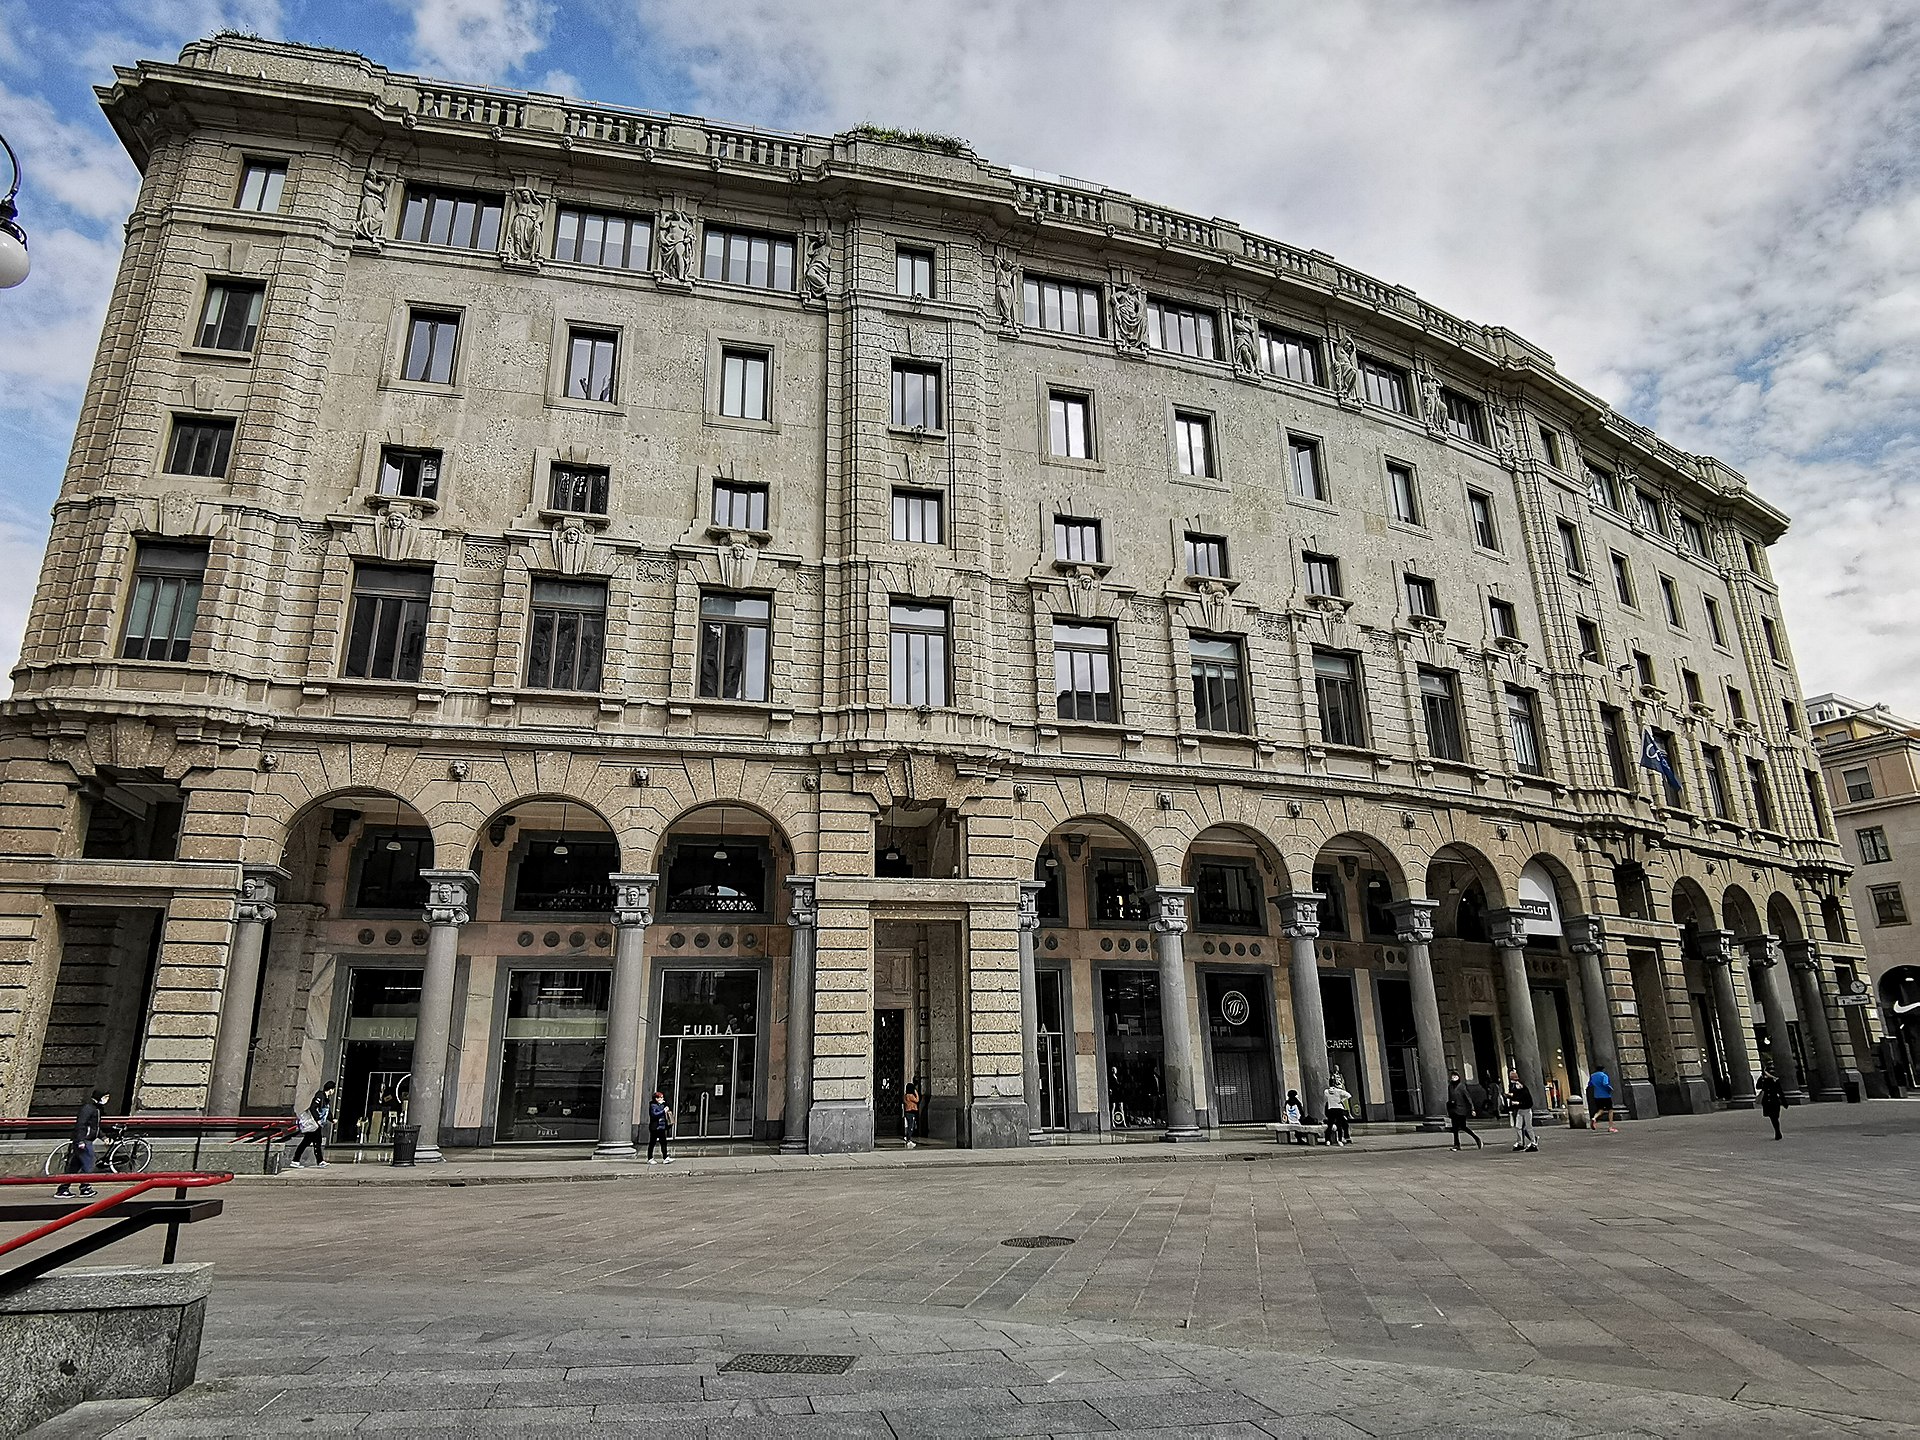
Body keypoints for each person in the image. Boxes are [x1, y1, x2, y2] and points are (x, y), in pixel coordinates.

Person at [54, 1088, 108, 1199]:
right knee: (88, 1164)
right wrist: (80, 1140)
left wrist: (103, 1137)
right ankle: (85, 1188)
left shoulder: (95, 1109)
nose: (107, 1099)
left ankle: (63, 1189)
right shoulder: (89, 1109)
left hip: (85, 1139)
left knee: (74, 1167)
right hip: (84, 1141)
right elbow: (81, 1125)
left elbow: (95, 1127)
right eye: (105, 1097)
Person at [288, 1082, 335, 1168]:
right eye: (333, 1089)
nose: (333, 1091)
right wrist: (317, 1119)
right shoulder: (320, 1096)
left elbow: (327, 1111)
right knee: (311, 1142)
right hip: (314, 1123)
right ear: (331, 1089)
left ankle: (299, 1160)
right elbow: (313, 1107)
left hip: (317, 1124)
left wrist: (331, 1119)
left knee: (311, 1142)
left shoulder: (326, 1098)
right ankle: (296, 1160)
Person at [1446, 1071, 1482, 1151]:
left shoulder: (1462, 1086)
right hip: (1453, 1109)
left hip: (1461, 1110)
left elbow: (1468, 1098)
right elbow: (1450, 1097)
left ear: (1458, 1077)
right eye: (1452, 1076)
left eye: (1455, 1076)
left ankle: (1476, 1138)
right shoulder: (1450, 1086)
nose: (1454, 1078)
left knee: (1463, 1127)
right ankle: (1456, 1145)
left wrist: (1472, 1109)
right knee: (1454, 1128)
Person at [1505, 1070, 1537, 1152]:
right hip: (1521, 1109)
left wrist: (1517, 1101)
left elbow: (1525, 1099)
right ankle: (1521, 1143)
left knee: (1528, 1127)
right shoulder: (1515, 1086)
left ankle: (1533, 1143)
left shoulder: (1521, 1087)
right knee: (1518, 1126)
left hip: (1525, 1110)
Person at [1323, 1073, 1353, 1146]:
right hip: (1338, 1109)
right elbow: (1349, 1095)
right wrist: (1341, 1100)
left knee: (1329, 1125)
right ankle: (1340, 1140)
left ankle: (1327, 1140)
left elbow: (1327, 1094)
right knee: (1339, 1125)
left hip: (1331, 1109)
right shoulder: (1339, 1091)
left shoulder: (1326, 1091)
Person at [1586, 1067, 1619, 1133]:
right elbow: (1605, 1083)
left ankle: (1594, 1118)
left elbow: (1590, 1084)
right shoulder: (1604, 1075)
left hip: (1597, 1096)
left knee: (1600, 1109)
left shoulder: (1593, 1076)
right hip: (1605, 1095)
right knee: (1610, 1110)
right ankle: (1610, 1127)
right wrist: (1610, 1088)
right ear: (1603, 1070)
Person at [1757, 1067, 1786, 1140]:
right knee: (1773, 1117)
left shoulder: (1775, 1080)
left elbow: (1780, 1091)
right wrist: (1762, 1078)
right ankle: (1777, 1132)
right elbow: (1758, 1086)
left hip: (1774, 1100)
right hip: (1767, 1102)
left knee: (1776, 1116)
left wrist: (1784, 1102)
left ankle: (1777, 1131)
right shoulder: (1763, 1080)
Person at [646, 1091, 674, 1163]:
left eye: (662, 1097)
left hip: (662, 1126)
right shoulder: (652, 1105)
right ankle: (650, 1158)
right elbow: (654, 1114)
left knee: (663, 1142)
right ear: (656, 1098)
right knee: (652, 1142)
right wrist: (663, 1111)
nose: (662, 1099)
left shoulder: (662, 1105)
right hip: (655, 1127)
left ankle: (665, 1157)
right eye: (660, 1097)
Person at [902, 1082, 921, 1149]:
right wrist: (916, 1092)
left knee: (909, 1125)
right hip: (911, 1112)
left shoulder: (905, 1095)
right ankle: (908, 1139)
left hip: (907, 1112)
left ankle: (907, 1137)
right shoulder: (910, 1096)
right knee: (911, 1126)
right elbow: (917, 1100)